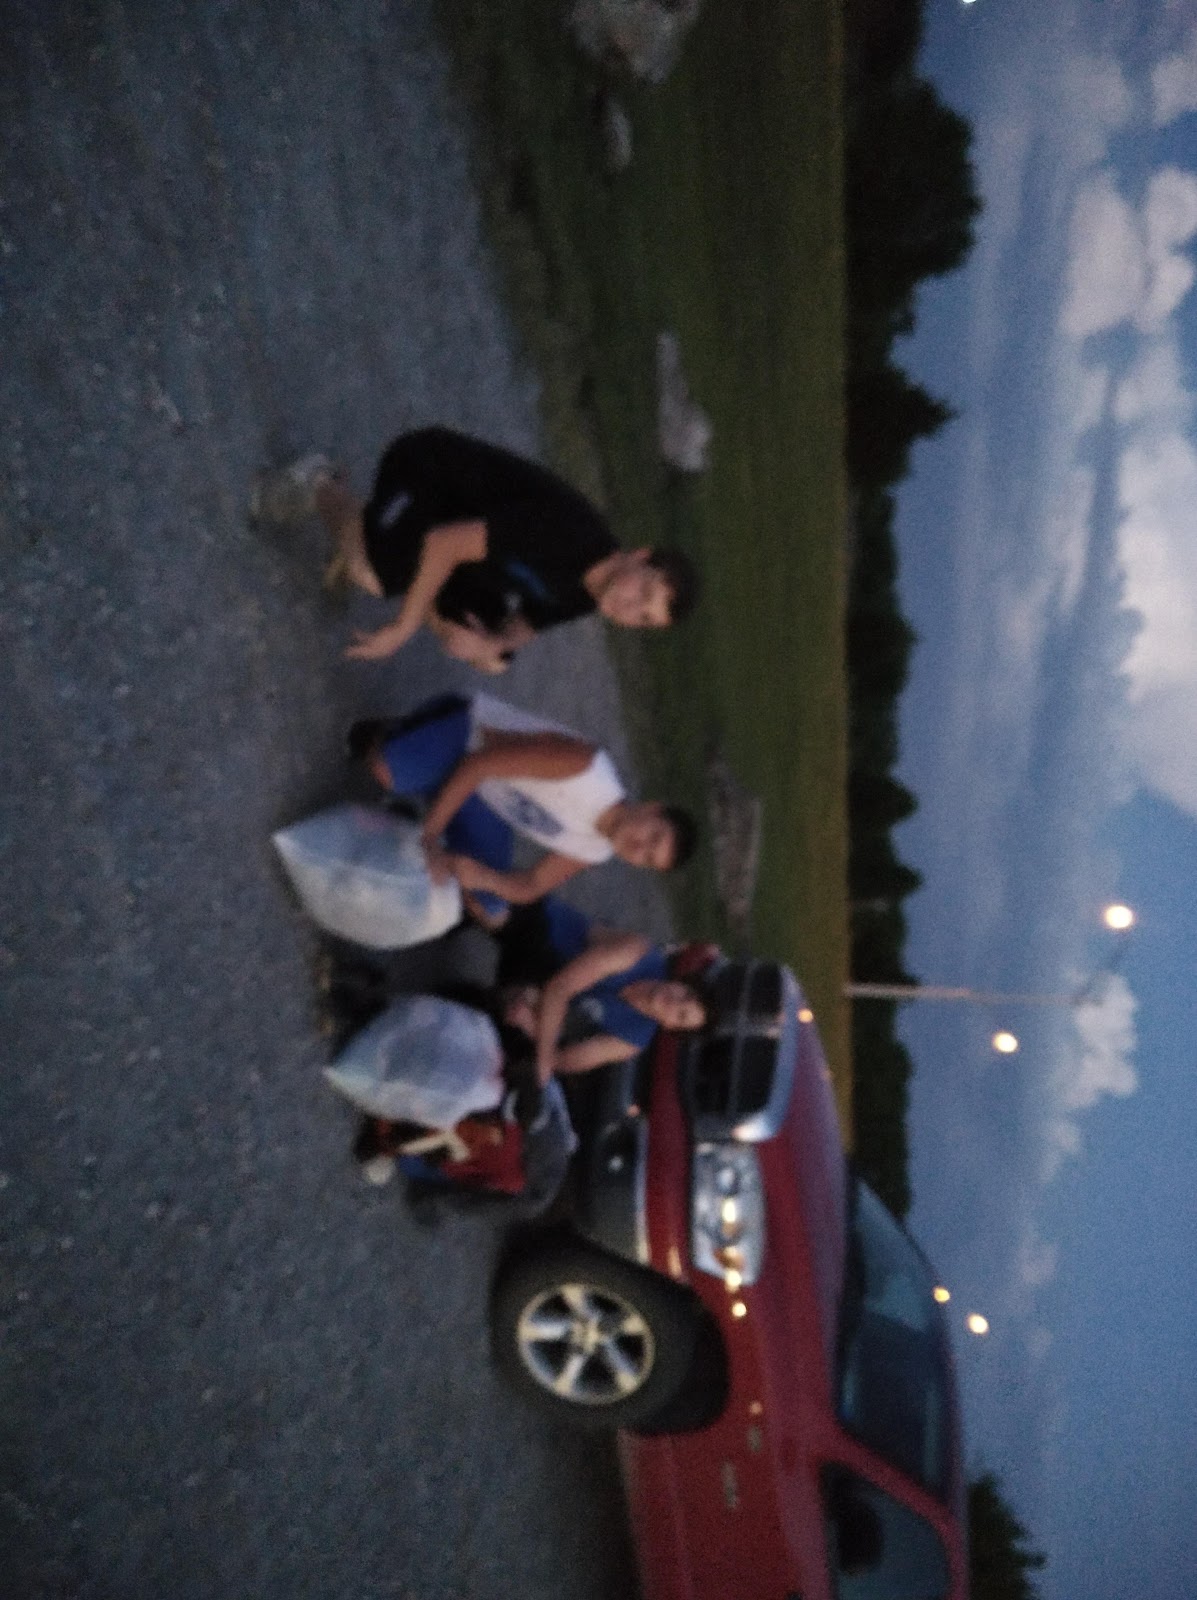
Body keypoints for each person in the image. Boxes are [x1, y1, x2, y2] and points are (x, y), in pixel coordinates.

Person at [250, 426, 699, 667]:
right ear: (640, 557)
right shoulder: (570, 533)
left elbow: (530, 621)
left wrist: (490, 645)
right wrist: (404, 626)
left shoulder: (595, 594)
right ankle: (320, 484)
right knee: (374, 573)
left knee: (489, 656)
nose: (630, 608)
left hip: (467, 544)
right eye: (644, 592)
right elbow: (446, 542)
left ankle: (381, 542)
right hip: (429, 477)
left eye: (643, 618)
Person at [351, 692, 697, 916]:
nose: (638, 848)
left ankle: (427, 794)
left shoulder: (598, 850)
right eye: (652, 837)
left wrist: (484, 878)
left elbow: (532, 885)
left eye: (647, 859)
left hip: (486, 798)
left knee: (490, 906)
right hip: (469, 738)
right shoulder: (587, 769)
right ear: (651, 808)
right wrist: (430, 837)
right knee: (387, 770)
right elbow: (479, 764)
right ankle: (400, 735)